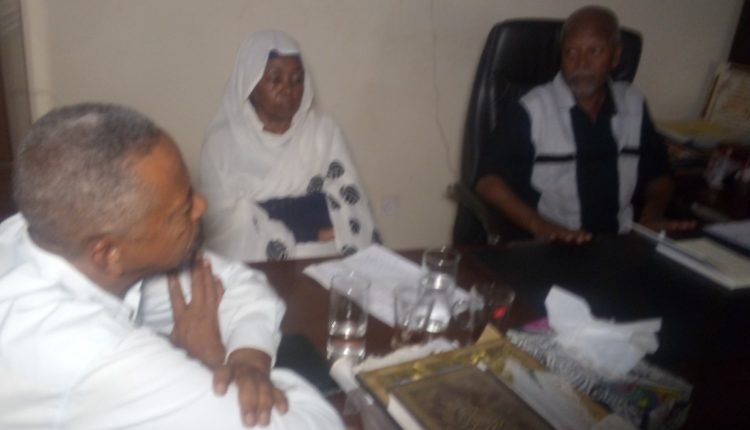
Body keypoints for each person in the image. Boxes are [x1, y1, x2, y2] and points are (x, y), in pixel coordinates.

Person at [0, 103, 343, 429]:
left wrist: (248, 361)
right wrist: (208, 364)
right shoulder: (91, 354)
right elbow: (317, 425)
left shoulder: (41, 236)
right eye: (182, 210)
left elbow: (241, 285)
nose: (202, 206)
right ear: (107, 254)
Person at [476, 5, 695, 244]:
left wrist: (652, 216)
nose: (581, 63)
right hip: (552, 246)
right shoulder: (532, 110)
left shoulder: (633, 104)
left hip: (619, 243)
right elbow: (488, 181)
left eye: (594, 51)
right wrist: (540, 226)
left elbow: (659, 175)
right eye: (571, 52)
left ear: (616, 56)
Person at [201, 30, 378, 262]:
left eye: (297, 79)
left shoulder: (322, 132)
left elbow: (349, 205)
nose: (289, 89)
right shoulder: (221, 144)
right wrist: (312, 227)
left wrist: (265, 212)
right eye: (276, 79)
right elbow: (221, 226)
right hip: (254, 266)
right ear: (249, 84)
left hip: (325, 259)